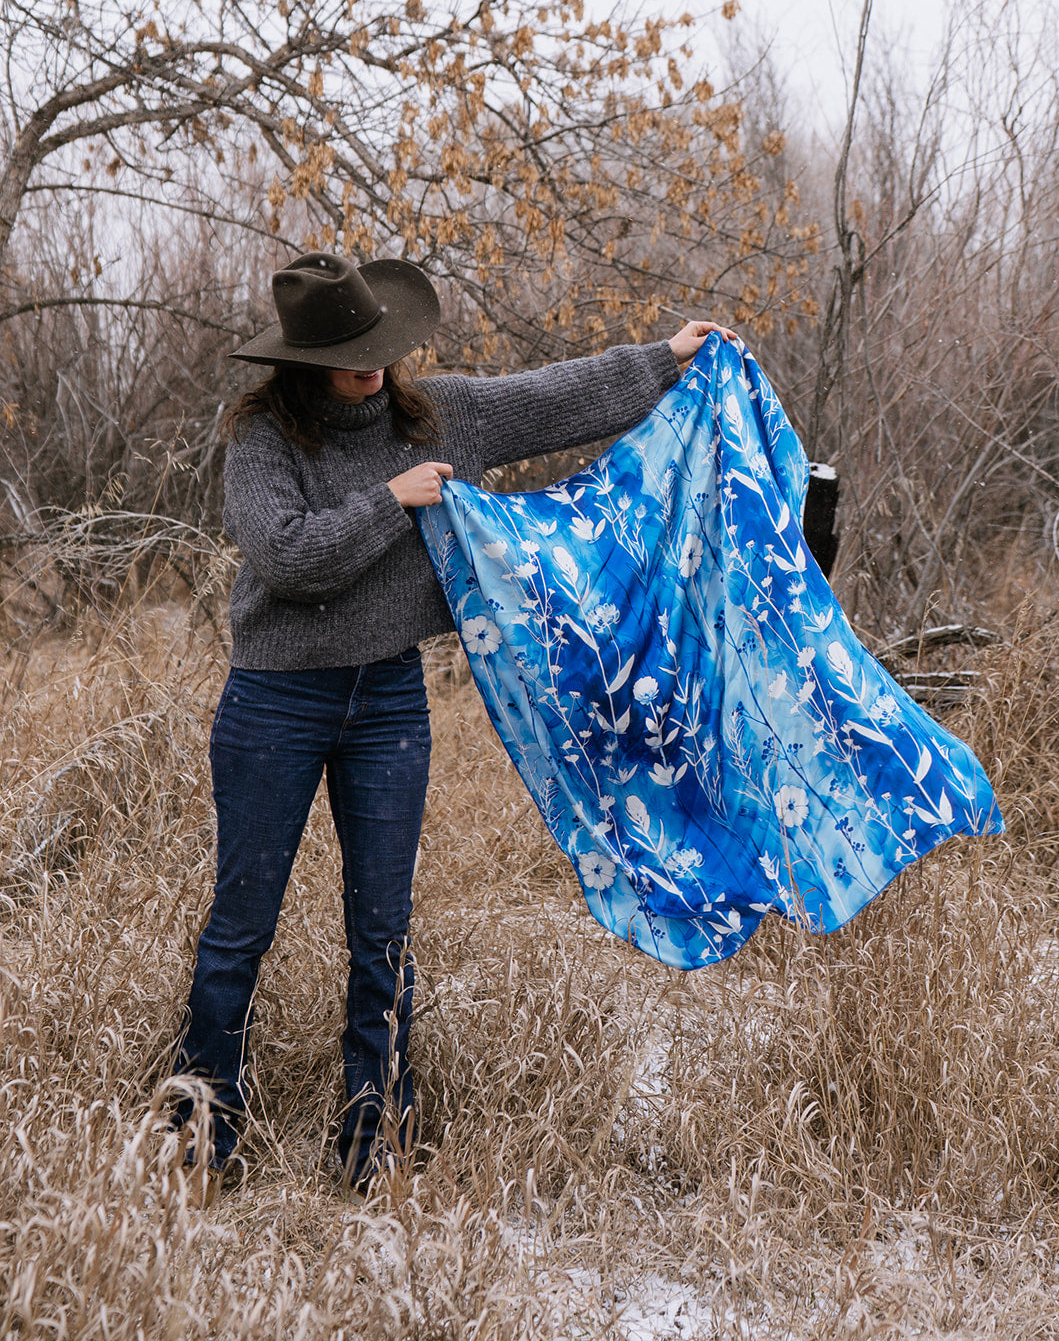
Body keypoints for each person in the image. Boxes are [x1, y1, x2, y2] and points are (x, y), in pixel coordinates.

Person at [172, 249, 736, 1185]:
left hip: (388, 697)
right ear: (303, 362)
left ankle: (373, 1146)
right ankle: (199, 1142)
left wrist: (665, 357)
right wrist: (391, 500)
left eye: (376, 348)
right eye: (347, 357)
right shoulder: (264, 440)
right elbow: (289, 558)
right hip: (278, 699)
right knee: (242, 925)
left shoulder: (439, 416)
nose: (369, 367)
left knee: (382, 930)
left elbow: (554, 398)